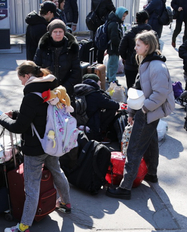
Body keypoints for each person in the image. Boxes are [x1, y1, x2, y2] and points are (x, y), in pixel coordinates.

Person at [0, 61, 72, 232]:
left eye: (21, 79)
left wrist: (2, 118)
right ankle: (65, 203)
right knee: (57, 171)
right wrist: (16, 113)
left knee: (31, 186)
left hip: (35, 148)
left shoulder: (31, 96)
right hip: (52, 143)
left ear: (26, 76)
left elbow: (20, 126)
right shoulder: (52, 90)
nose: (22, 84)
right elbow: (37, 115)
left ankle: (24, 227)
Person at [106, 31, 174, 200]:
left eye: (138, 45)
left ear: (147, 46)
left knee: (134, 148)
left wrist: (143, 109)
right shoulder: (147, 62)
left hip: (148, 111)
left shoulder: (156, 66)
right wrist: (132, 111)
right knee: (150, 142)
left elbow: (159, 95)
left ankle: (125, 187)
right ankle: (152, 174)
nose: (135, 48)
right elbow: (138, 89)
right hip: (146, 110)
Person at [33, 20, 82, 98]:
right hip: (47, 89)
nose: (58, 34)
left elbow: (76, 71)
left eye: (60, 31)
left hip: (66, 90)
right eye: (55, 32)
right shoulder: (43, 47)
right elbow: (36, 68)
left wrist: (65, 87)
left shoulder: (71, 47)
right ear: (50, 33)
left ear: (64, 33)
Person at [74, 74, 120, 141]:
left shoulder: (79, 90)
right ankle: (101, 131)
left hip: (78, 121)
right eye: (99, 81)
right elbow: (113, 105)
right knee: (112, 109)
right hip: (90, 123)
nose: (100, 82)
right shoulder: (94, 94)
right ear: (95, 82)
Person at [120, 11, 153, 88]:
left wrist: (126, 58)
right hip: (148, 64)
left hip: (130, 64)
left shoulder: (129, 33)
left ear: (136, 20)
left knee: (131, 88)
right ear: (146, 20)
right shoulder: (152, 35)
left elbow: (121, 49)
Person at [103, 7, 128, 86]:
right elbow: (114, 37)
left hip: (112, 46)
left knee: (112, 62)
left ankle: (110, 77)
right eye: (123, 16)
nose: (124, 18)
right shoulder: (114, 24)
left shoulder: (114, 22)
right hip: (113, 47)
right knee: (113, 63)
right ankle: (112, 79)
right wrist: (120, 44)